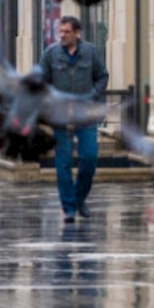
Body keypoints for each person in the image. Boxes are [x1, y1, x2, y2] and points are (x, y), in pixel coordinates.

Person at [39, 15, 109, 223]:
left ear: (77, 33)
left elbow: (102, 77)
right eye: (60, 31)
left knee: (89, 158)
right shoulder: (50, 54)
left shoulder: (90, 52)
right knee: (63, 163)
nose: (62, 35)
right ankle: (69, 208)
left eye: (67, 32)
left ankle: (79, 199)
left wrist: (92, 96)